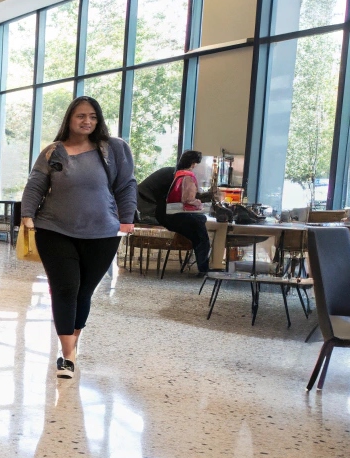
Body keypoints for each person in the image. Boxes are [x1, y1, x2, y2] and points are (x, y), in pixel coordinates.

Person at [20, 96, 136, 380]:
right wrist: (27, 214)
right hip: (54, 229)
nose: (87, 121)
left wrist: (127, 218)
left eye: (93, 116)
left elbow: (126, 184)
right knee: (65, 288)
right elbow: (36, 183)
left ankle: (72, 343)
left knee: (84, 291)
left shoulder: (113, 148)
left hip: (103, 232)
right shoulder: (53, 152)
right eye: (81, 116)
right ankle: (67, 355)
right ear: (69, 119)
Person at [138, 150, 211, 275]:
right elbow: (187, 199)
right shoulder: (185, 176)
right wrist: (202, 202)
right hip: (155, 209)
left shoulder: (176, 173)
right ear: (193, 164)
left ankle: (203, 267)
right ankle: (204, 267)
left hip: (162, 212)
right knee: (200, 227)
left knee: (197, 232)